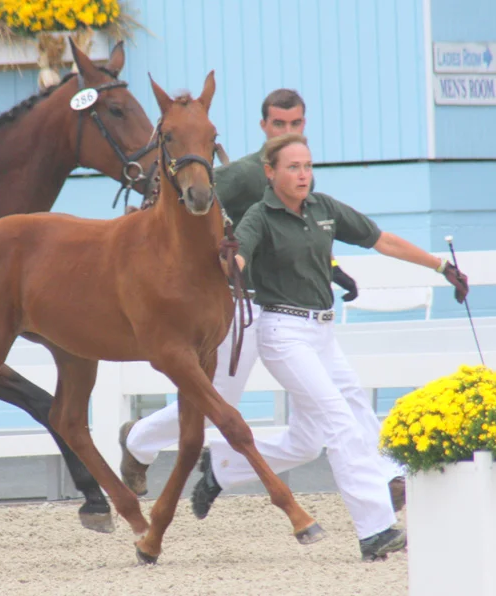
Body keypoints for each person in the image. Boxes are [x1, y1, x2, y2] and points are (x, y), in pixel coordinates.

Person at [196, 133, 469, 561]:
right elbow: (239, 259)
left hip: (323, 334)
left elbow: (382, 240)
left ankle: (221, 466)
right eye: (293, 167)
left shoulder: (323, 208)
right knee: (342, 423)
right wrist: (231, 260)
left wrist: (441, 266)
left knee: (307, 441)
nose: (303, 175)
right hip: (283, 334)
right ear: (270, 172)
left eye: (307, 166)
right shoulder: (258, 217)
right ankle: (375, 530)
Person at [117, 88, 368, 494]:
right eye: (278, 124)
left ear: (304, 124)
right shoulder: (246, 173)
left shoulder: (298, 169)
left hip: (287, 309)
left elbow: (298, 235)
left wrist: (332, 266)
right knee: (214, 399)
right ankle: (138, 440)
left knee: (346, 390)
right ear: (263, 126)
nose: (286, 130)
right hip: (240, 306)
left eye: (295, 123)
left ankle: (384, 476)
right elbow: (183, 200)